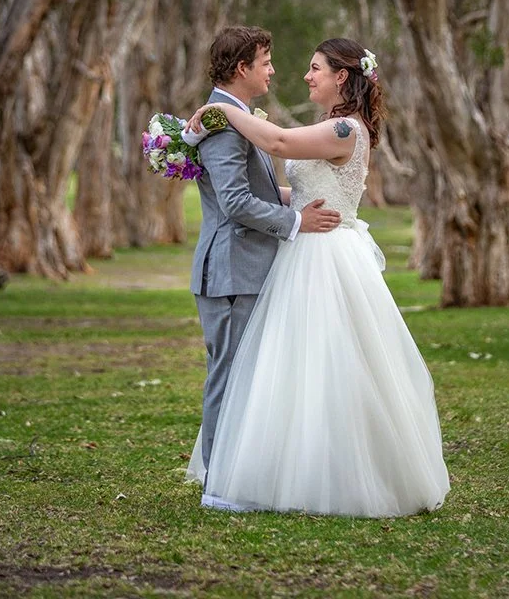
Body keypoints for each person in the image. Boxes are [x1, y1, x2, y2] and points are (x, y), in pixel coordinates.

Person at [184, 37, 449, 517]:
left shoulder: (346, 129)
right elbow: (296, 184)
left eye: (315, 68)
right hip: (304, 250)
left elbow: (279, 142)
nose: (305, 76)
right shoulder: (332, 126)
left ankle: (347, 475)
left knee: (333, 366)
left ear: (341, 77)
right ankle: (279, 468)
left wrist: (221, 111)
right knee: (296, 369)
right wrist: (289, 203)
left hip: (327, 255)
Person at [186, 26, 341, 512]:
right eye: (266, 61)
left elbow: (255, 191)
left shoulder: (233, 118)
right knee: (228, 376)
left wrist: (318, 202)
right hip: (231, 269)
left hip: (248, 268)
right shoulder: (219, 122)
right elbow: (233, 202)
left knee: (245, 375)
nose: (274, 70)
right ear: (242, 69)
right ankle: (218, 484)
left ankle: (239, 475)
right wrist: (296, 221)